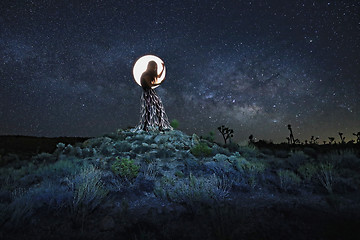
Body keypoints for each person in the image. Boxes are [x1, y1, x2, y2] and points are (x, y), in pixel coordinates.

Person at [136, 61, 172, 131]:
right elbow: (150, 85)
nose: (154, 68)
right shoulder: (146, 74)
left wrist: (162, 68)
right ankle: (146, 126)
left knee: (157, 108)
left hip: (151, 92)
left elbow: (158, 76)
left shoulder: (152, 74)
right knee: (148, 110)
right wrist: (159, 83)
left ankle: (159, 125)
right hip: (147, 93)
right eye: (153, 66)